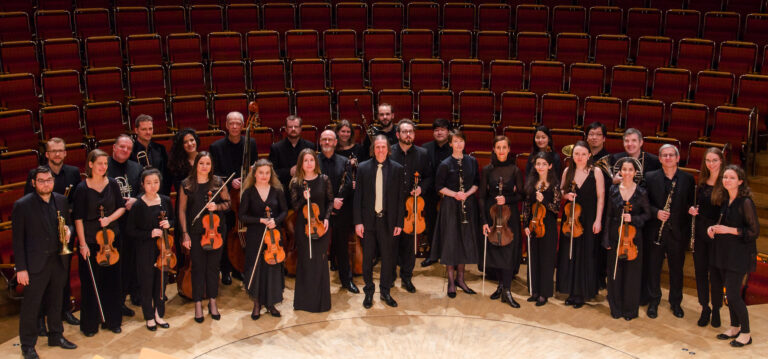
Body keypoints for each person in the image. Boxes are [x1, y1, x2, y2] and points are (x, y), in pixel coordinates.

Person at [14, 166, 78, 359]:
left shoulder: (61, 199)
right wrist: (21, 269)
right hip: (35, 264)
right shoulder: (22, 205)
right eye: (41, 181)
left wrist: (69, 231)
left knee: (56, 301)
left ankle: (56, 336)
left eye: (49, 180)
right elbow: (17, 240)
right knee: (31, 307)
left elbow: (68, 224)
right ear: (33, 183)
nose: (46, 184)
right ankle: (27, 345)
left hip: (58, 260)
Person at [23, 137, 81, 328]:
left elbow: (76, 200)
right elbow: (28, 203)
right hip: (42, 235)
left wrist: (66, 211)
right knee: (41, 279)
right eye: (53, 151)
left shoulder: (72, 173)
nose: (57, 154)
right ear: (46, 154)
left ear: (65, 152)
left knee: (62, 276)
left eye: (60, 150)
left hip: (64, 231)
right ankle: (40, 318)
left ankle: (64, 310)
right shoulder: (36, 174)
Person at [73, 149, 126, 336]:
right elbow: (78, 218)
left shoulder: (112, 184)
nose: (103, 167)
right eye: (99, 163)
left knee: (112, 281)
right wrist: (82, 244)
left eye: (105, 163)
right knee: (91, 283)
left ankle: (113, 321)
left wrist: (109, 219)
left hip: (112, 239)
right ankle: (90, 324)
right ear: (90, 164)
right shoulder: (82, 188)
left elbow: (121, 208)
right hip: (91, 241)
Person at [708, 165, 758, 348]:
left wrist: (729, 230)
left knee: (733, 294)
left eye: (731, 177)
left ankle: (746, 333)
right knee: (728, 294)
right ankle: (735, 327)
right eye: (725, 177)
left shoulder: (745, 202)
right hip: (724, 253)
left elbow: (753, 231)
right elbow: (723, 224)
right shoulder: (725, 200)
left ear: (740, 181)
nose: (726, 180)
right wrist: (712, 228)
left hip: (739, 255)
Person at [178, 152, 231, 323]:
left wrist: (217, 206)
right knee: (198, 268)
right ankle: (198, 303)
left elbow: (228, 204)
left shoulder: (217, 182)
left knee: (213, 268)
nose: (204, 167)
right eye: (201, 163)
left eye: (208, 164)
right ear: (196, 165)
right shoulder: (187, 184)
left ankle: (213, 302)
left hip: (215, 231)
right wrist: (185, 233)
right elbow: (182, 210)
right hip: (195, 232)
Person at [643, 144, 694, 319]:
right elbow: (644, 204)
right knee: (654, 268)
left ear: (678, 158)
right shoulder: (650, 177)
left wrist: (690, 210)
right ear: (659, 158)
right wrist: (656, 212)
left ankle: (675, 302)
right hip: (656, 230)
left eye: (671, 155)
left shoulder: (688, 179)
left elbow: (689, 204)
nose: (668, 158)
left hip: (677, 232)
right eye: (664, 155)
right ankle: (654, 301)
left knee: (676, 270)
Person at [354, 135, 405, 309]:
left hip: (388, 221)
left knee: (388, 259)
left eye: (383, 147)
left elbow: (400, 198)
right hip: (368, 222)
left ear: (388, 149)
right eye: (377, 147)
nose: (381, 150)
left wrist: (399, 222)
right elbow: (358, 197)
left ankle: (385, 291)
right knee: (367, 259)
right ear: (373, 149)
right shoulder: (363, 168)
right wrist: (358, 222)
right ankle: (368, 291)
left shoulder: (397, 169)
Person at [209, 111, 259, 285]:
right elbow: (213, 175)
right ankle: (226, 269)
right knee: (226, 232)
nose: (235, 126)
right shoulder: (216, 147)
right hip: (227, 196)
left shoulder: (250, 143)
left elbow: (256, 167)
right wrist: (230, 183)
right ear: (227, 125)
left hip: (246, 195)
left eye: (238, 123)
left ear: (243, 125)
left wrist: (250, 173)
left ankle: (241, 267)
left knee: (245, 232)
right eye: (232, 123)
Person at [430, 130, 480, 298]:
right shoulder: (445, 164)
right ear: (450, 144)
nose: (459, 144)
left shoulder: (472, 162)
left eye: (461, 141)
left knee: (464, 241)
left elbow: (476, 183)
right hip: (450, 206)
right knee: (451, 242)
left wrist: (467, 193)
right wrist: (455, 194)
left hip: (467, 204)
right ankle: (451, 281)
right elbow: (438, 187)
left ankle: (461, 279)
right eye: (455, 141)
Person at [557, 141, 604, 308]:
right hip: (571, 218)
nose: (580, 157)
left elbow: (601, 197)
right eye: (576, 154)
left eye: (583, 154)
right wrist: (566, 196)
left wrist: (598, 220)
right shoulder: (567, 171)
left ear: (589, 155)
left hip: (589, 218)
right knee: (570, 253)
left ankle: (582, 293)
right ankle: (571, 291)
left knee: (586, 255)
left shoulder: (596, 172)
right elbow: (561, 191)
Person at [602, 157, 651, 321]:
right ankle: (615, 308)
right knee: (615, 273)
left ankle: (630, 310)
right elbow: (608, 215)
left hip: (633, 238)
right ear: (620, 172)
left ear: (635, 172)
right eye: (624, 170)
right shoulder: (613, 190)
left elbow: (647, 214)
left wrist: (634, 219)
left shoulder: (641, 192)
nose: (627, 173)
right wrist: (606, 238)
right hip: (616, 235)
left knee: (632, 275)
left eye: (630, 170)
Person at [126, 168, 174, 331]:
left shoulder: (165, 200)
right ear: (142, 185)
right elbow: (130, 230)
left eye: (156, 182)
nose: (152, 186)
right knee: (146, 283)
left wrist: (170, 224)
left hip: (163, 248)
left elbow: (173, 220)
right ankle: (149, 316)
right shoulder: (138, 204)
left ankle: (159, 313)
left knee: (161, 283)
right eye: (148, 183)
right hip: (145, 249)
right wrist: (149, 233)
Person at [239, 159, 288, 320]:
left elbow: (284, 211)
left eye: (267, 173)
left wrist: (276, 221)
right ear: (255, 174)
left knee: (272, 268)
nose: (264, 176)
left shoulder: (277, 191)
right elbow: (242, 216)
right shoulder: (249, 192)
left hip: (273, 236)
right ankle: (257, 303)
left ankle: (271, 303)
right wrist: (260, 220)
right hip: (256, 235)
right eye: (261, 173)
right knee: (257, 268)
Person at [389, 119, 432, 293]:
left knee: (409, 244)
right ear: (398, 134)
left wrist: (421, 187)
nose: (408, 134)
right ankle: (390, 276)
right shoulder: (389, 151)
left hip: (412, 205)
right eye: (405, 131)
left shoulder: (423, 153)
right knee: (390, 243)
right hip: (392, 204)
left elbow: (429, 177)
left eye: (411, 132)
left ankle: (407, 277)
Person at [479, 136, 523, 308]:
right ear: (494, 149)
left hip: (508, 216)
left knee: (507, 253)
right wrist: (484, 220)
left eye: (504, 147)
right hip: (492, 214)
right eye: (498, 147)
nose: (502, 151)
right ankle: (500, 286)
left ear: (509, 149)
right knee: (496, 251)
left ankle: (507, 291)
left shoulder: (515, 170)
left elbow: (521, 195)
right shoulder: (487, 170)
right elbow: (482, 196)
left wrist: (507, 199)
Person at [290, 149, 333, 312]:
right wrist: (303, 198)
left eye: (311, 160)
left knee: (320, 261)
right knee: (306, 261)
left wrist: (327, 218)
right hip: (304, 227)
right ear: (301, 163)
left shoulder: (324, 179)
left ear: (316, 162)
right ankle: (304, 302)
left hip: (321, 226)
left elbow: (330, 201)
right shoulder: (296, 182)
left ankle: (321, 302)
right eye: (305, 160)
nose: (309, 163)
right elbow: (294, 206)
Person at [688, 148, 726, 327]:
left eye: (714, 160)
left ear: (721, 161)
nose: (711, 164)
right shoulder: (702, 182)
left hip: (717, 234)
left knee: (716, 275)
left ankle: (716, 308)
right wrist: (693, 210)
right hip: (701, 231)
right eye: (708, 160)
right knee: (700, 272)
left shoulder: (726, 182)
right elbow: (698, 206)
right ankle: (705, 307)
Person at [319, 130, 359, 294]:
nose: (327, 142)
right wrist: (330, 203)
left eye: (330, 139)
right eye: (324, 139)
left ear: (336, 142)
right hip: (320, 211)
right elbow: (311, 185)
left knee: (342, 247)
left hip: (341, 209)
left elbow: (349, 183)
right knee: (319, 248)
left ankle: (346, 280)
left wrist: (337, 201)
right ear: (320, 142)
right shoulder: (312, 161)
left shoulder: (344, 161)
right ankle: (319, 283)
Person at [108, 134, 142, 314]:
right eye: (122, 147)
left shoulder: (136, 167)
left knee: (132, 260)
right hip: (112, 222)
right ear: (114, 147)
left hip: (132, 221)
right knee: (117, 264)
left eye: (129, 148)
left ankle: (135, 294)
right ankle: (117, 301)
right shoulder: (104, 166)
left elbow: (143, 191)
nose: (125, 151)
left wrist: (135, 200)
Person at [522, 152, 561, 306]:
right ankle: (535, 291)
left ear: (550, 166)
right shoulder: (532, 183)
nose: (540, 167)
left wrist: (544, 200)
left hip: (548, 226)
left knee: (546, 260)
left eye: (544, 164)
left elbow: (556, 208)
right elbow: (526, 206)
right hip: (533, 225)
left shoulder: (554, 185)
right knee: (534, 259)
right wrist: (525, 225)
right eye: (538, 164)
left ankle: (544, 293)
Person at [420, 118, 452, 267]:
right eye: (436, 130)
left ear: (448, 132)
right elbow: (424, 173)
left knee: (449, 225)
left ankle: (449, 255)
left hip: (450, 194)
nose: (439, 132)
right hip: (431, 194)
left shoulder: (455, 147)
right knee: (431, 224)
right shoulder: (425, 149)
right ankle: (432, 254)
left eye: (442, 129)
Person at [167, 129, 199, 267]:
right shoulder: (177, 164)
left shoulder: (205, 158)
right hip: (185, 209)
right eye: (185, 142)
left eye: (192, 140)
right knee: (185, 246)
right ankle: (183, 282)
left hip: (202, 207)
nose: (190, 144)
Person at [269, 116, 316, 194]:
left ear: (300, 128)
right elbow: (272, 172)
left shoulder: (310, 146)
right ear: (286, 129)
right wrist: (289, 172)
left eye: (296, 126)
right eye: (290, 127)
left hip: (305, 189)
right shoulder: (276, 148)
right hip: (284, 189)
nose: (293, 129)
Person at [130, 114, 170, 195]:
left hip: (160, 194)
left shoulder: (160, 149)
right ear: (136, 130)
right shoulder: (130, 151)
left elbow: (167, 174)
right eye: (144, 129)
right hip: (140, 196)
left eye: (150, 129)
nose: (148, 132)